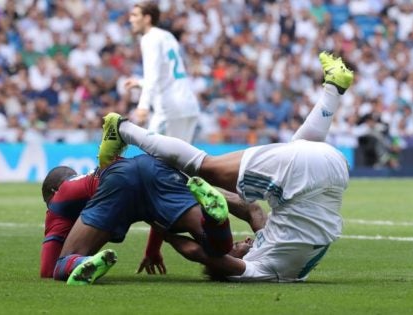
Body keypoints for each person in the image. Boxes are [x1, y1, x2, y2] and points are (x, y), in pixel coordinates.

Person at [100, 51, 354, 282]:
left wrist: (193, 192)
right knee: (205, 166)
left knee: (300, 146)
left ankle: (333, 88)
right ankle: (123, 129)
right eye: (235, 248)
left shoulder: (295, 267)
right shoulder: (261, 269)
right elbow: (200, 253)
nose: (242, 240)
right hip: (306, 175)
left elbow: (253, 210)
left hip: (334, 168)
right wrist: (159, 223)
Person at [40, 156, 266, 283]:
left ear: (53, 191)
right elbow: (252, 208)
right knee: (219, 245)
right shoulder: (96, 170)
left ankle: (82, 262)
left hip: (119, 185)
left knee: (61, 266)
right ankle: (216, 220)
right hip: (149, 168)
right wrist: (152, 249)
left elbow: (46, 269)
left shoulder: (60, 198)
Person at [124, 1, 200, 143]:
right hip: (188, 106)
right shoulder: (166, 36)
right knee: (179, 162)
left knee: (153, 158)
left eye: (135, 15)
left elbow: (152, 75)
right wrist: (139, 83)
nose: (131, 19)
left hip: (170, 109)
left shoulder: (149, 39)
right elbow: (167, 73)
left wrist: (143, 107)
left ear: (147, 18)